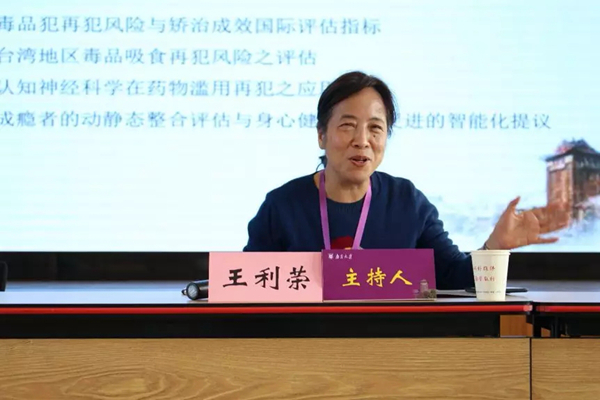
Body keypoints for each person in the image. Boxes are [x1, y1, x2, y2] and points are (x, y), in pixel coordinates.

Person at [243, 71, 569, 289]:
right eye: (347, 126)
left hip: (392, 352)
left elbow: (453, 275)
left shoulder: (407, 202)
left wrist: (494, 247)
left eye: (375, 128)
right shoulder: (282, 206)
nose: (362, 140)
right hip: (303, 352)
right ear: (321, 135)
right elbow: (248, 284)